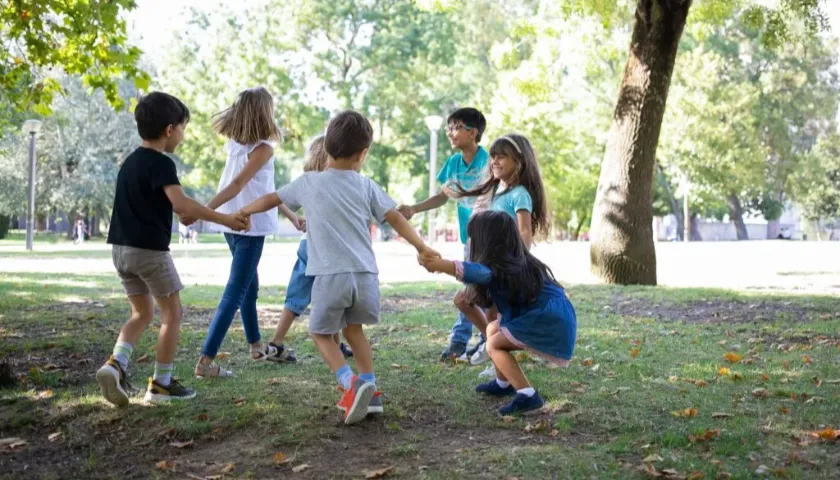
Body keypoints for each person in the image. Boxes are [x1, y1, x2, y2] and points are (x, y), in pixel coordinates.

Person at [240, 110, 439, 424]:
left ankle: (350, 383)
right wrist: (422, 246)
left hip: (331, 275)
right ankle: (370, 390)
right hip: (366, 276)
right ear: (362, 154)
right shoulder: (366, 185)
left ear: (326, 148)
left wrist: (245, 210)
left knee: (319, 332)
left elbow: (272, 198)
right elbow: (396, 217)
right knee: (354, 331)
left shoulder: (309, 182)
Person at [95, 92, 248, 407]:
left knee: (141, 313)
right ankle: (161, 384)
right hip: (150, 253)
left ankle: (116, 364)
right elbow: (180, 203)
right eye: (183, 127)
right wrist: (226, 219)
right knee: (172, 314)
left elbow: (169, 206)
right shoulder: (161, 163)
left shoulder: (130, 163)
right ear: (169, 130)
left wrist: (186, 212)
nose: (183, 133)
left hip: (121, 252)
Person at [188, 87, 303, 378]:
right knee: (236, 291)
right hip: (247, 225)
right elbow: (238, 185)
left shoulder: (236, 145)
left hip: (233, 223)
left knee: (250, 287)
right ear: (265, 112)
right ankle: (205, 361)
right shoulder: (262, 148)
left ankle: (255, 346)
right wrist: (202, 211)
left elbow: (266, 189)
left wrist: (291, 214)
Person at [419, 211, 576, 415]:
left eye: (473, 239)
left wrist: (439, 265)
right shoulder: (514, 262)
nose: (470, 244)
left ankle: (528, 396)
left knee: (493, 344)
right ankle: (504, 383)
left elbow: (475, 271)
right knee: (493, 329)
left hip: (546, 319)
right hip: (549, 316)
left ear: (486, 242)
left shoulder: (497, 268)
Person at [452, 133, 551, 377]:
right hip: (487, 263)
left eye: (501, 157)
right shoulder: (496, 192)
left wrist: (519, 263)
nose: (494, 161)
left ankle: (499, 366)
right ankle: (493, 347)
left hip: (505, 267)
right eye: (493, 157)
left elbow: (524, 231)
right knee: (466, 302)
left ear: (519, 161)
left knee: (491, 313)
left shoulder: (520, 195)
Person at [396, 107, 490, 362]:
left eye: (456, 127)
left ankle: (463, 341)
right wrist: (414, 208)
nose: (450, 132)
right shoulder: (453, 163)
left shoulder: (489, 161)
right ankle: (482, 338)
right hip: (468, 238)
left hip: (490, 238)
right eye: (448, 127)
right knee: (473, 289)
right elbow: (442, 196)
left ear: (473, 132)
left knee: (473, 290)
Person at [262, 135, 353, 365]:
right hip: (326, 248)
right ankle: (336, 344)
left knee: (297, 294)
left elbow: (280, 198)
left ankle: (277, 342)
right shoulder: (336, 183)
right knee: (334, 294)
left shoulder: (308, 182)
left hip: (307, 244)